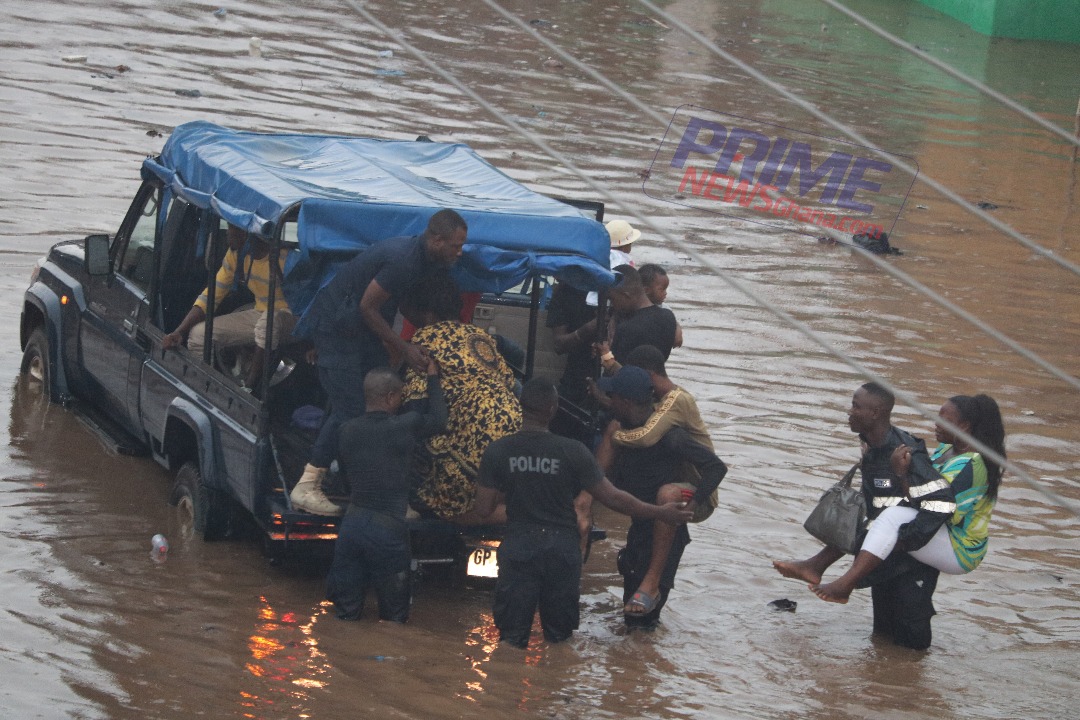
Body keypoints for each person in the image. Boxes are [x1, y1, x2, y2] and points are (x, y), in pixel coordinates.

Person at [472, 378, 693, 648]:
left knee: (510, 640)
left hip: (520, 548)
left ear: (520, 406)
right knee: (560, 641)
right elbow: (613, 498)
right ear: (553, 409)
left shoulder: (498, 451)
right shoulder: (573, 451)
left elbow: (483, 509)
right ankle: (560, 688)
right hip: (562, 553)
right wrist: (660, 512)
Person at [289, 209, 467, 516]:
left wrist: (428, 341)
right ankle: (306, 485)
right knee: (352, 411)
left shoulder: (425, 261)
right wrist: (403, 347)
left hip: (361, 334)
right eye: (456, 245)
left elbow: (401, 304)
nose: (460, 252)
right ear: (437, 240)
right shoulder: (403, 260)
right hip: (338, 329)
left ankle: (366, 487)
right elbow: (368, 306)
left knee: (376, 400)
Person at [772, 382, 950, 650]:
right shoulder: (872, 448)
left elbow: (942, 502)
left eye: (856, 406)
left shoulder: (905, 453)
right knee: (882, 636)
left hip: (911, 557)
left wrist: (905, 540)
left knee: (912, 639)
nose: (849, 412)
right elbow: (877, 506)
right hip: (883, 555)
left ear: (876, 412)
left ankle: (910, 681)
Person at [809, 394, 1006, 604]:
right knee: (877, 504)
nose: (935, 424)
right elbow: (923, 489)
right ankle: (818, 566)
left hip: (960, 548)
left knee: (892, 515)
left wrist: (901, 475)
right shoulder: (947, 449)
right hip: (939, 530)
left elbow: (939, 510)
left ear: (964, 427)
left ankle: (844, 583)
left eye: (944, 421)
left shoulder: (970, 464)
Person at [599, 365, 727, 627]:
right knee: (631, 621)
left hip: (666, 536)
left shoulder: (671, 437)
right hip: (640, 527)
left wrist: (689, 507)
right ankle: (644, 663)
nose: (607, 401)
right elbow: (598, 473)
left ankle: (653, 585)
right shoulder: (623, 431)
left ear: (624, 402)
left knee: (643, 621)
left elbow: (716, 467)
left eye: (611, 397)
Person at [324, 364, 448, 622]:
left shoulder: (345, 430)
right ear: (391, 397)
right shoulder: (405, 425)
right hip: (388, 531)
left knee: (345, 617)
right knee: (393, 622)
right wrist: (433, 378)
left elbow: (344, 481)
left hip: (352, 528)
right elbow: (439, 419)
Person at [399, 273, 522, 524]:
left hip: (474, 438)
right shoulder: (480, 336)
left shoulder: (424, 340)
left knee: (446, 509)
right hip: (512, 433)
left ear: (427, 313)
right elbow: (513, 385)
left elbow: (418, 409)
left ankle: (492, 514)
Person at [163, 224, 295, 389]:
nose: (227, 234)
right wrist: (180, 331)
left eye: (232, 229)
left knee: (268, 322)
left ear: (247, 233)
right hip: (262, 313)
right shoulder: (236, 256)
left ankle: (249, 387)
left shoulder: (286, 259)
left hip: (292, 317)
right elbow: (211, 296)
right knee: (199, 335)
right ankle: (207, 387)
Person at [593, 265, 677, 376]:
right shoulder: (668, 316)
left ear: (626, 295)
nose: (613, 304)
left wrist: (605, 355)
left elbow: (621, 376)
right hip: (655, 385)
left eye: (612, 299)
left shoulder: (627, 328)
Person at [637, 263, 683, 349]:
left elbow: (672, 319)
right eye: (661, 289)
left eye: (666, 289)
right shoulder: (632, 305)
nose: (665, 293)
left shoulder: (663, 308)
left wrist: (677, 328)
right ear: (646, 290)